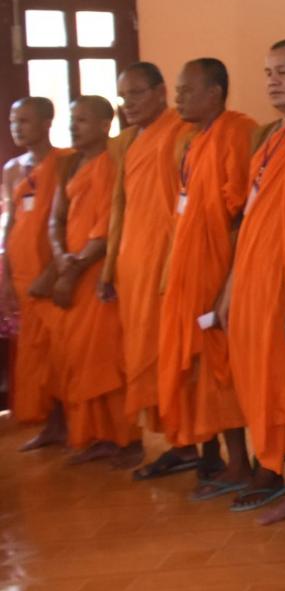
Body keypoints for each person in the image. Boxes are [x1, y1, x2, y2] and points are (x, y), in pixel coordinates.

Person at [223, 39, 285, 516]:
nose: (273, 82)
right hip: (254, 279)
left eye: (284, 72)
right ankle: (282, 474)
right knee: (266, 382)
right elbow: (250, 213)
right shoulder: (269, 136)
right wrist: (231, 285)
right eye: (268, 73)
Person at [157, 58, 257, 499]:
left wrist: (227, 282)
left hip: (218, 273)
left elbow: (239, 211)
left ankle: (243, 463)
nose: (178, 99)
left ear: (215, 92)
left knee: (223, 375)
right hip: (189, 274)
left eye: (186, 90)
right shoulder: (195, 141)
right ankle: (213, 454)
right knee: (200, 373)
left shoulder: (235, 132)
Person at [111, 63, 198, 478]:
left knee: (170, 354)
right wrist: (111, 266)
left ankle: (189, 443)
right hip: (133, 265)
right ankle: (174, 440)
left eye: (136, 94)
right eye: (123, 97)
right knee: (144, 353)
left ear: (161, 92)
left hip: (165, 263)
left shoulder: (180, 133)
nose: (128, 104)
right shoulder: (128, 142)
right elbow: (119, 208)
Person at [43, 96, 136, 464]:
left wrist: (76, 267)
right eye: (72, 119)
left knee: (106, 358)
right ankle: (96, 435)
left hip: (97, 273)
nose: (74, 126)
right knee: (80, 357)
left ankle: (125, 439)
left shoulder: (111, 164)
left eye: (82, 120)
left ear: (103, 124)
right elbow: (56, 220)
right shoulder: (69, 166)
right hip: (71, 269)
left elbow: (109, 225)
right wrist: (61, 257)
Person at [4, 97, 70, 450]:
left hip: (51, 271)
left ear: (47, 122)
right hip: (21, 272)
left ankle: (69, 422)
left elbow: (68, 222)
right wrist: (5, 272)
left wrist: (54, 268)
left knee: (59, 352)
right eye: (14, 121)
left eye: (25, 121)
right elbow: (11, 221)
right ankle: (49, 425)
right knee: (32, 355)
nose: (17, 128)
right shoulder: (12, 168)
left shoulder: (65, 163)